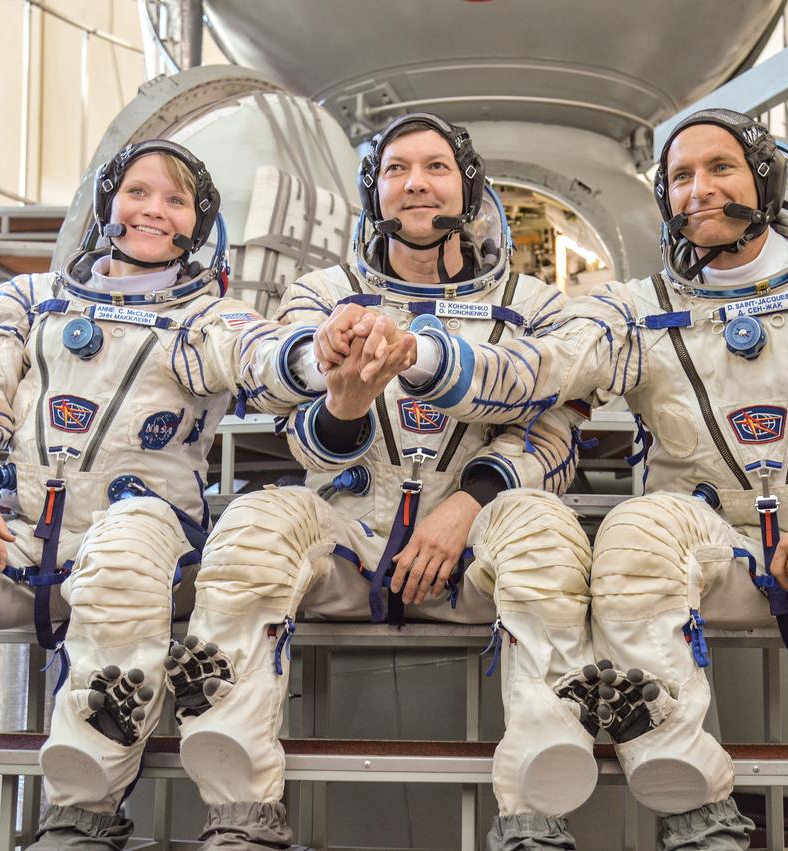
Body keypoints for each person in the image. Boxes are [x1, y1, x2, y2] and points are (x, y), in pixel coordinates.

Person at [338, 109, 788, 850]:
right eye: (680, 177)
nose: (698, 191)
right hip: (715, 546)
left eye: (719, 168)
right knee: (632, 532)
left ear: (766, 179)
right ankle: (692, 803)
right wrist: (423, 358)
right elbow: (541, 370)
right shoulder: (632, 309)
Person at [0, 140, 320, 850]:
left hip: (139, 536)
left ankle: (83, 816)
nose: (153, 210)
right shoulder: (31, 300)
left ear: (195, 225)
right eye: (138, 191)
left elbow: (268, 356)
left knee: (122, 555)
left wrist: (321, 354)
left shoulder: (208, 317)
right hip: (11, 533)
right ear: (108, 201)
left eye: (174, 200)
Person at [169, 113, 598, 850]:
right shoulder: (322, 296)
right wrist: (343, 404)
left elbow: (552, 434)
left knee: (545, 532)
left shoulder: (534, 306)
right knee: (254, 524)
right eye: (397, 169)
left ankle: (536, 812)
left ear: (467, 185)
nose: (416, 185)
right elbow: (294, 429)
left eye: (435, 167)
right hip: (352, 532)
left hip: (475, 543)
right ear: (374, 192)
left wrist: (465, 504)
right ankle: (238, 811)